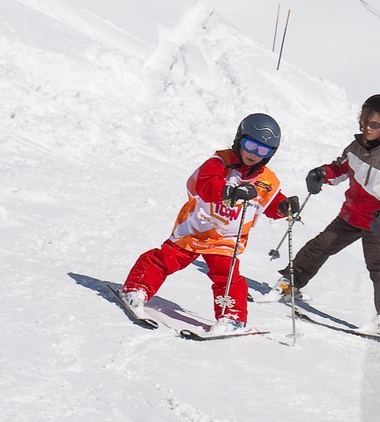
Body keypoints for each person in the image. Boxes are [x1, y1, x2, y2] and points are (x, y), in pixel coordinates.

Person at [121, 113, 300, 333]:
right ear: (239, 139)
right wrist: (230, 191)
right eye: (250, 145)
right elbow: (206, 185)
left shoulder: (266, 180)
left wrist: (283, 207)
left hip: (227, 239)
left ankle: (232, 317)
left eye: (263, 151)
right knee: (166, 259)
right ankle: (137, 288)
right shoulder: (219, 163)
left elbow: (270, 201)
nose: (254, 154)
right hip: (198, 227)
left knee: (228, 277)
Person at [278, 94, 380, 332]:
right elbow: (340, 169)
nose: (367, 128)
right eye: (364, 121)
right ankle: (290, 283)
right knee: (320, 245)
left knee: (379, 266)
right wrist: (321, 173)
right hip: (350, 215)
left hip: (376, 221)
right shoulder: (355, 148)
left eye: (374, 124)